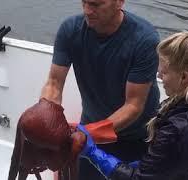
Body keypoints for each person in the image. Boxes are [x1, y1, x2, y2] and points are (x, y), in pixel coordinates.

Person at [76, 32, 188, 180]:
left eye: (164, 72)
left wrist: (93, 152)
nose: (159, 76)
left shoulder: (180, 129)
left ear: (184, 77)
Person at [40, 0, 160, 179]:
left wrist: (84, 135)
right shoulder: (70, 30)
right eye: (84, 2)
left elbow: (133, 106)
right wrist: (46, 119)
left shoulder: (144, 39)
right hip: (92, 124)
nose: (87, 10)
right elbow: (54, 83)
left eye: (96, 4)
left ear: (120, 2)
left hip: (137, 136)